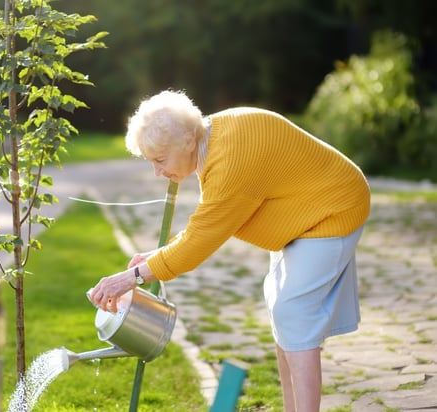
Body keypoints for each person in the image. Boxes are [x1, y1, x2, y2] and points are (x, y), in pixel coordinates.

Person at [88, 89, 370, 411]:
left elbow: (198, 244)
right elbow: (204, 228)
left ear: (186, 142)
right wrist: (154, 259)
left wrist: (130, 278)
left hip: (331, 210)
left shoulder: (230, 162)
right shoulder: (216, 135)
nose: (157, 172)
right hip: (303, 216)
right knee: (284, 315)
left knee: (292, 312)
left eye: (160, 161)